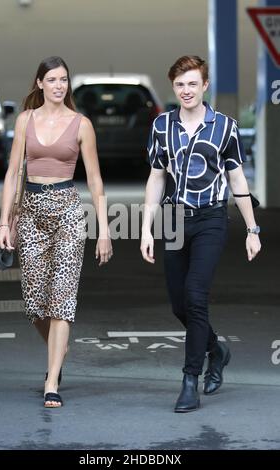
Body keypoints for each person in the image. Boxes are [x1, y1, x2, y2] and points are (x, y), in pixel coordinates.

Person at [141, 55, 261, 412]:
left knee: (195, 295)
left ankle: (190, 379)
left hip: (211, 217)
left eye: (192, 83)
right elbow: (156, 177)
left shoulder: (224, 126)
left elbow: (237, 178)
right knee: (179, 303)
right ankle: (217, 350)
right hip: (175, 219)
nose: (186, 90)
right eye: (180, 84)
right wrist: (146, 228)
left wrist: (252, 229)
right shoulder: (162, 126)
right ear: (173, 86)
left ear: (204, 85)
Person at [0, 56, 112, 408]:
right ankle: (58, 347)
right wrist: (5, 221)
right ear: (40, 83)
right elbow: (14, 172)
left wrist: (104, 230)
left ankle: (52, 380)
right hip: (30, 212)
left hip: (68, 213)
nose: (60, 85)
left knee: (62, 300)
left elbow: (95, 179)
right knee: (35, 303)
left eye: (64, 79)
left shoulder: (81, 124)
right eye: (53, 79)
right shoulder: (25, 120)